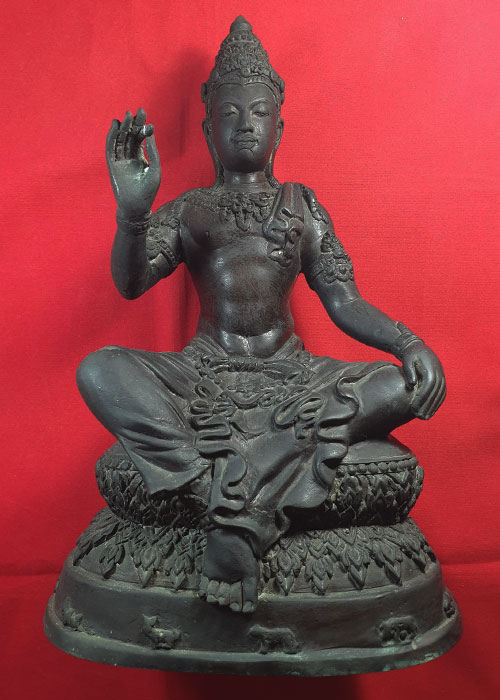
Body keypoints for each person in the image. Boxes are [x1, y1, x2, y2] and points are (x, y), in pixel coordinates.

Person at [76, 17, 445, 614]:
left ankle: (224, 499)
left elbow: (344, 301)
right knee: (100, 370)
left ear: (280, 126)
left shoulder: (301, 204)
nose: (245, 124)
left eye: (258, 113)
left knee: (401, 384)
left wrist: (408, 344)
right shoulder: (192, 208)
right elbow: (131, 282)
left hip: (292, 377)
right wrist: (133, 214)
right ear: (207, 129)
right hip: (203, 374)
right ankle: (229, 492)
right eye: (229, 114)